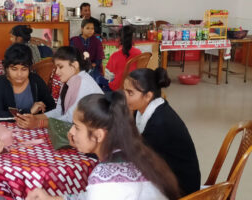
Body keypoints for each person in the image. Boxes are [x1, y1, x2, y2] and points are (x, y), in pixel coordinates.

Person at [26, 92, 180, 200]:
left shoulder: (104, 177)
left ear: (99, 135)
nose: (71, 132)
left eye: (77, 127)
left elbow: (103, 191)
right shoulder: (139, 155)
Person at [123, 68, 201, 196]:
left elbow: (137, 157)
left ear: (148, 96)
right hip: (166, 175)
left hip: (181, 189)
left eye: (130, 93)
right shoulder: (145, 109)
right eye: (124, 90)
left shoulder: (159, 124)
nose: (124, 96)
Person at [15, 46, 103, 129]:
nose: (57, 72)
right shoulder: (68, 81)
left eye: (60, 67)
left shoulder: (84, 84)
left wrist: (38, 123)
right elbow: (59, 111)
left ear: (75, 65)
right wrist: (33, 118)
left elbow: (70, 120)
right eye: (56, 67)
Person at [0, 43, 56, 121]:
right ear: (7, 68)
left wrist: (40, 112)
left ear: (29, 68)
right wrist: (29, 112)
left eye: (24, 69)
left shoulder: (36, 81)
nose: (19, 74)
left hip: (33, 129)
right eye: (14, 69)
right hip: (7, 130)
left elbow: (52, 107)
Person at [104, 25, 141, 91]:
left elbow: (108, 76)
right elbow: (140, 71)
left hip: (118, 88)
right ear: (132, 38)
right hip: (134, 87)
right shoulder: (139, 53)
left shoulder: (114, 55)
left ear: (119, 39)